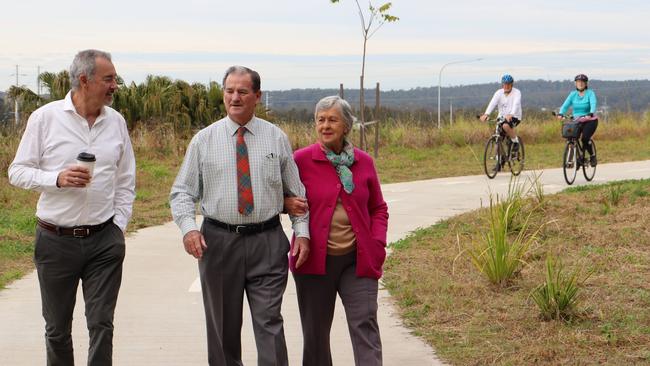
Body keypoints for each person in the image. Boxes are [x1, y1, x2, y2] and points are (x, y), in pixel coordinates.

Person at [169, 65, 310, 366]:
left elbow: (297, 196)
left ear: (257, 96)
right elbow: (182, 192)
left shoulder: (276, 138)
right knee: (223, 329)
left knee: (270, 323)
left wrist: (303, 233)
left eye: (242, 91)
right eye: (229, 91)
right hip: (218, 244)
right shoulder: (203, 141)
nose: (235, 97)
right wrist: (188, 229)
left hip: (268, 242)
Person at [8, 49, 136, 365]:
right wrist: (58, 178)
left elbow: (126, 179)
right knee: (57, 329)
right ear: (84, 80)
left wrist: (118, 228)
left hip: (104, 241)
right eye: (108, 79)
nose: (115, 85)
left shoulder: (116, 122)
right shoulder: (45, 118)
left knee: (101, 324)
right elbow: (17, 171)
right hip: (55, 241)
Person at [285, 96, 389, 366]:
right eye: (320, 120)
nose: (325, 125)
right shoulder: (301, 160)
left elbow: (378, 208)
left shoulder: (364, 162)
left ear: (346, 126)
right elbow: (282, 199)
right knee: (316, 335)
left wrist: (377, 244)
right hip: (314, 262)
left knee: (365, 324)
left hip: (358, 260)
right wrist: (286, 203)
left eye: (333, 119)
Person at [556, 73, 598, 166]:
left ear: (586, 83)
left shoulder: (590, 93)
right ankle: (573, 159)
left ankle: (592, 156)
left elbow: (593, 104)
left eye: (583, 82)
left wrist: (590, 113)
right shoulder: (573, 94)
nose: (580, 83)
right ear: (575, 83)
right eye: (578, 82)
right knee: (571, 138)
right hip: (577, 120)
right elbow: (565, 105)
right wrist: (561, 113)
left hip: (590, 120)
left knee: (585, 139)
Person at [479, 74, 523, 152]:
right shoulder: (498, 93)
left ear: (512, 84)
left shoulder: (517, 92)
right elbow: (492, 103)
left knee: (506, 126)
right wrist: (486, 114)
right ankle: (499, 160)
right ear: (502, 84)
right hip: (502, 117)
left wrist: (511, 114)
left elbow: (516, 104)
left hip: (515, 116)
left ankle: (515, 141)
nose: (506, 86)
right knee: (498, 138)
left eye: (508, 84)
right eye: (505, 84)